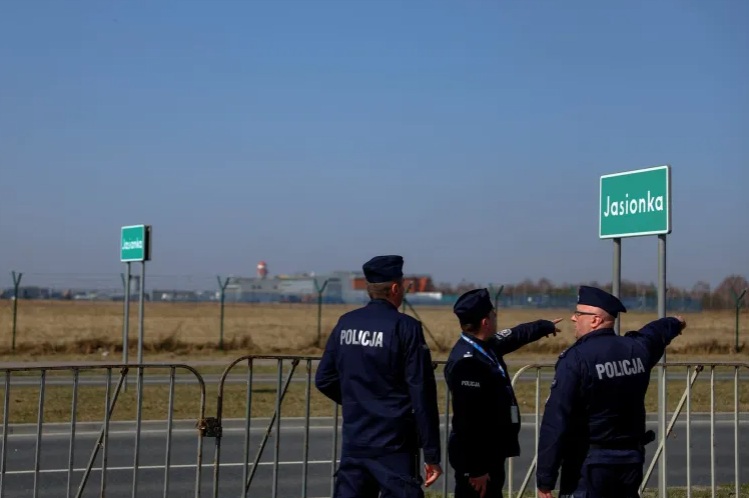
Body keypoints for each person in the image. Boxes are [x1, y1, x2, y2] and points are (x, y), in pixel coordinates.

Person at [536, 285, 687, 498]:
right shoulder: (637, 349)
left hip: (589, 464)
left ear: (595, 320)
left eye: (578, 313)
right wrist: (676, 323)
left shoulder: (576, 359)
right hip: (630, 461)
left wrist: (545, 479)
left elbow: (556, 420)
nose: (573, 318)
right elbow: (655, 333)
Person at [315, 255, 443, 498]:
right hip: (394, 443)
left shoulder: (346, 323)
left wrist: (358, 402)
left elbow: (324, 379)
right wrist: (432, 454)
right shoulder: (406, 327)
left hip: (356, 440)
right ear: (395, 288)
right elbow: (422, 393)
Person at [444, 288, 562, 498]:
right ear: (485, 322)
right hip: (477, 462)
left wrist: (544, 326)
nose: (496, 317)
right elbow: (467, 420)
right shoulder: (468, 362)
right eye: (493, 314)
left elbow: (514, 335)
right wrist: (476, 469)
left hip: (491, 453)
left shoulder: (486, 346)